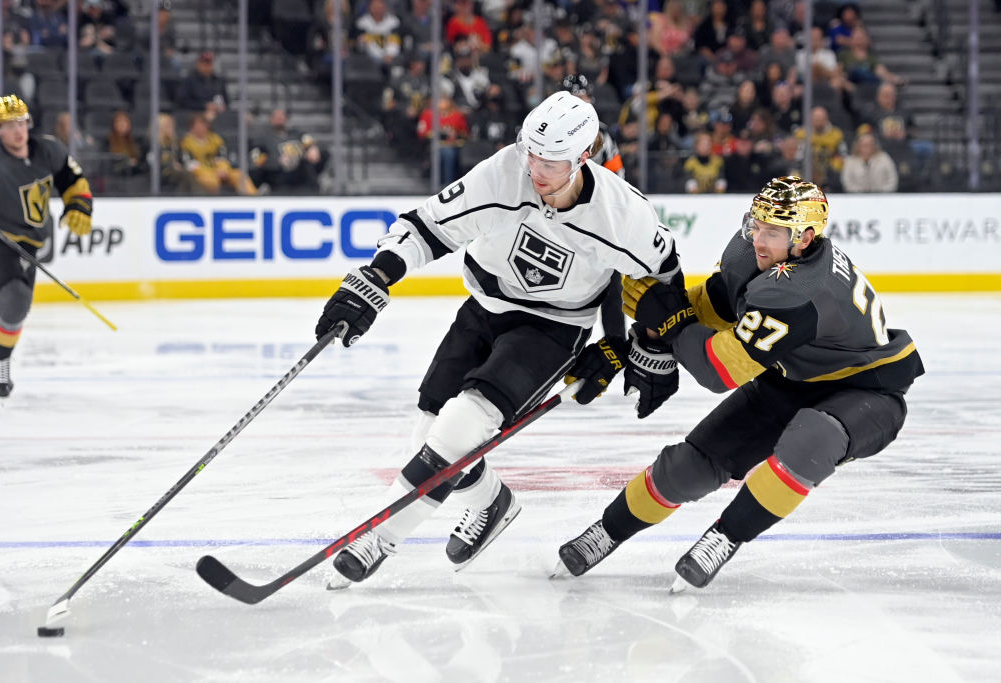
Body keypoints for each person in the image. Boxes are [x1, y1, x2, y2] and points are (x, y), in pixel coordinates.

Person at [314, 91, 684, 586]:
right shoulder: (506, 169)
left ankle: (377, 538)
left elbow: (664, 278)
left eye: (550, 160)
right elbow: (427, 227)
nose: (534, 167)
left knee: (464, 425)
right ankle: (492, 502)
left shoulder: (623, 213)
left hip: (552, 328)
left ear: (583, 156)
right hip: (484, 308)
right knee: (428, 430)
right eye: (530, 150)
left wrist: (635, 345)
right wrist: (376, 277)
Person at [556, 176, 924, 590]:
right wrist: (653, 330)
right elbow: (715, 305)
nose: (760, 240)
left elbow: (719, 371)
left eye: (774, 231)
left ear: (804, 238)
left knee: (812, 441)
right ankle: (606, 532)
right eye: (757, 225)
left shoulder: (801, 290)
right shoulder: (760, 255)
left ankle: (725, 536)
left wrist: (673, 326)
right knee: (687, 467)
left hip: (866, 393)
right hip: (791, 379)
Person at [0, 95, 94, 397]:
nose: (18, 130)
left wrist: (79, 207)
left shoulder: (49, 150)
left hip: (30, 241)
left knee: (13, 307)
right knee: (16, 299)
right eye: (8, 125)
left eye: (21, 122)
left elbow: (72, 180)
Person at [248, 109, 327, 194]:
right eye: (277, 117)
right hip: (279, 178)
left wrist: (313, 148)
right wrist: (277, 162)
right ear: (271, 120)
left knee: (319, 158)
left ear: (286, 119)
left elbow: (311, 142)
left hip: (302, 174)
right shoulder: (263, 139)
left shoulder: (297, 134)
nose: (280, 119)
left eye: (282, 116)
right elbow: (255, 161)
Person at [180, 113, 258, 195]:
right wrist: (211, 173)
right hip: (203, 174)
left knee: (239, 175)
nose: (203, 127)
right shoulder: (186, 143)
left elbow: (222, 157)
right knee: (211, 182)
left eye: (204, 124)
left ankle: (254, 199)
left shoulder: (215, 139)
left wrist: (222, 169)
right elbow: (190, 165)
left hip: (219, 171)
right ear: (192, 127)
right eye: (199, 124)